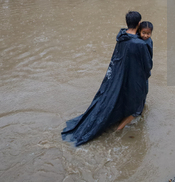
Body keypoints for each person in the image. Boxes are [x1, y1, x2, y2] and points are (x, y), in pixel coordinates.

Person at [61, 11, 152, 146]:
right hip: (133, 76)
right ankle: (119, 129)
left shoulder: (122, 36)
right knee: (136, 107)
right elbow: (147, 65)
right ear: (139, 24)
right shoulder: (141, 44)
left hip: (117, 74)